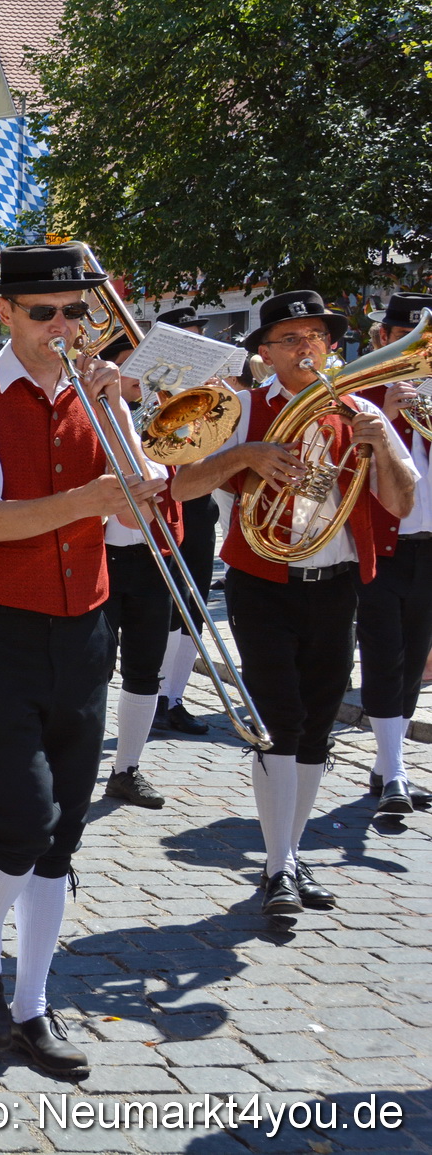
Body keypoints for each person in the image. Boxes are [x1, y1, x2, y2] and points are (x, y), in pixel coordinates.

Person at [0, 244, 169, 1077]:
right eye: (44, 313)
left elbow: (140, 518)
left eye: (76, 312)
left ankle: (32, 1005)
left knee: (64, 830)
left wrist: (123, 423)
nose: (63, 327)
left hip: (84, 629)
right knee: (25, 817)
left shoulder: (98, 397)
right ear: (6, 313)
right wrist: (88, 499)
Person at [172, 288, 415, 913]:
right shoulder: (242, 410)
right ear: (266, 352)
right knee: (279, 722)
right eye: (290, 339)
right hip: (263, 585)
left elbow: (400, 502)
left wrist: (383, 441)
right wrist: (246, 455)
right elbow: (181, 485)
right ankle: (278, 865)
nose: (306, 347)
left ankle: (288, 855)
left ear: (331, 347)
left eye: (316, 337)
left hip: (336, 586)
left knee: (316, 726)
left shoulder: (359, 410)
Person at [355, 292, 432, 815]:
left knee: (414, 661)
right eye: (403, 337)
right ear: (383, 337)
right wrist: (386, 416)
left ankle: (388, 767)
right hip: (381, 547)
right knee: (384, 656)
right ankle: (395, 773)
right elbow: (347, 470)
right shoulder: (359, 393)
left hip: (428, 548)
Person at [98, 336, 175, 809]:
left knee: (146, 667)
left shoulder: (160, 421)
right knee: (91, 667)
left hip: (149, 557)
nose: (140, 378)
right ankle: (72, 764)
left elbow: (148, 495)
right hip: (96, 556)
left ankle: (126, 768)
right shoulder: (84, 415)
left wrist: (122, 415)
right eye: (129, 366)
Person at [150, 308, 222, 735]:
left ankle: (174, 697)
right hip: (162, 510)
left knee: (193, 607)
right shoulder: (151, 391)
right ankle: (153, 693)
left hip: (199, 509)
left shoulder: (208, 396)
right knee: (163, 607)